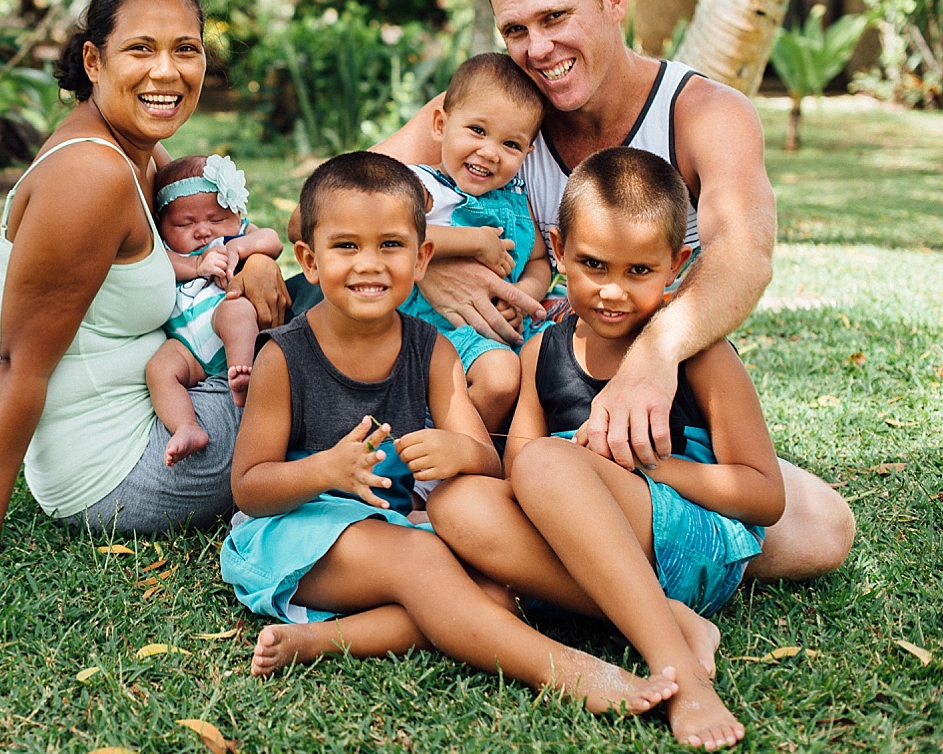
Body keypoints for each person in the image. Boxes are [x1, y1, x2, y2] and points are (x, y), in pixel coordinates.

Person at [375, 0, 854, 582]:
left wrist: (653, 356)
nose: (538, 49)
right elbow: (340, 194)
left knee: (820, 530)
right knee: (480, 493)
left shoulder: (702, 113)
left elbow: (744, 253)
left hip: (644, 418)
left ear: (614, 0)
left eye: (555, 17)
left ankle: (541, 556)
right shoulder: (497, 112)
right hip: (500, 405)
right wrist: (429, 267)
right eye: (516, 30)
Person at [221, 151, 682, 719]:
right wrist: (326, 470)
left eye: (391, 245)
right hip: (294, 531)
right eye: (347, 247)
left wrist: (455, 448)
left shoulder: (432, 349)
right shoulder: (285, 358)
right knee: (423, 564)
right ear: (309, 261)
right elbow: (249, 489)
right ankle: (566, 671)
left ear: (422, 258)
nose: (370, 264)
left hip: (395, 527)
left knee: (490, 594)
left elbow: (487, 463)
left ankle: (316, 642)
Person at [0, 0, 288, 564]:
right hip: (125, 467)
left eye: (185, 50)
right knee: (353, 326)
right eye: (140, 49)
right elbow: (19, 364)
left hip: (171, 399)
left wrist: (256, 267)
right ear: (93, 62)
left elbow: (213, 243)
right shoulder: (90, 176)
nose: (166, 71)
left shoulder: (138, 149)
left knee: (348, 294)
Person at [431, 149, 785, 751]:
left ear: (678, 264)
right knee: (454, 504)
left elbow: (764, 495)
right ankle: (673, 621)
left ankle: (679, 668)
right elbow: (518, 467)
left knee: (545, 459)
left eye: (640, 272)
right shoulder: (542, 352)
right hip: (584, 537)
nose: (613, 291)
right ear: (559, 248)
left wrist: (649, 466)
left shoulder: (696, 353)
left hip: (688, 539)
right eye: (593, 264)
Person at [395, 52, 550, 432]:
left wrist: (520, 297)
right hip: (432, 327)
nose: (489, 152)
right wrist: (475, 242)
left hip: (499, 329)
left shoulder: (516, 200)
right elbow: (392, 237)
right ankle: (444, 460)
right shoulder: (421, 186)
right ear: (440, 124)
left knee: (553, 357)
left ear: (527, 153)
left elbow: (539, 261)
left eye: (511, 144)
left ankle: (493, 447)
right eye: (477, 131)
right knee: (499, 377)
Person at [147, 153, 282, 465]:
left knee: (237, 311)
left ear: (235, 214)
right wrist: (195, 264)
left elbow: (272, 240)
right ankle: (186, 426)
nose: (203, 231)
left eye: (216, 219)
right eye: (185, 223)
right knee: (159, 369)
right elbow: (158, 264)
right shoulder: (168, 252)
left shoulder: (236, 236)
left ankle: (243, 372)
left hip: (225, 324)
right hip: (187, 348)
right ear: (162, 226)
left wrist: (240, 246)